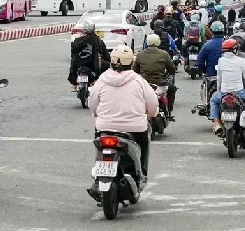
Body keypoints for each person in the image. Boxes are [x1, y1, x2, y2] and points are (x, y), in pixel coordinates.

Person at [88, 45, 159, 183]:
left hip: (105, 127)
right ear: (131, 62)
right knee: (143, 145)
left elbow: (92, 102)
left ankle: (99, 173)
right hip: (135, 128)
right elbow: (152, 103)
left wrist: (96, 114)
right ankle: (141, 174)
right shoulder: (139, 81)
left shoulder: (102, 79)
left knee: (100, 147)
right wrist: (151, 113)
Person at [209, 39, 245, 137]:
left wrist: (219, 91)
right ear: (235, 49)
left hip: (224, 92)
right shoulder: (241, 61)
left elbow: (219, 78)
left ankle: (216, 123)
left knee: (213, 100)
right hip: (240, 93)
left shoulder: (221, 60)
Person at [132, 34, 177, 117]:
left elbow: (135, 71)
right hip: (160, 83)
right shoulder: (164, 54)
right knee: (172, 89)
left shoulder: (140, 54)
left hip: (144, 84)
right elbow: (172, 69)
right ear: (158, 42)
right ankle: (169, 112)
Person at [69, 20, 110, 91]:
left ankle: (74, 84)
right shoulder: (98, 41)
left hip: (78, 64)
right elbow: (105, 54)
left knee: (73, 63)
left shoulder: (77, 40)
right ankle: (97, 81)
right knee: (107, 65)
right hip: (93, 65)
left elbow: (73, 53)